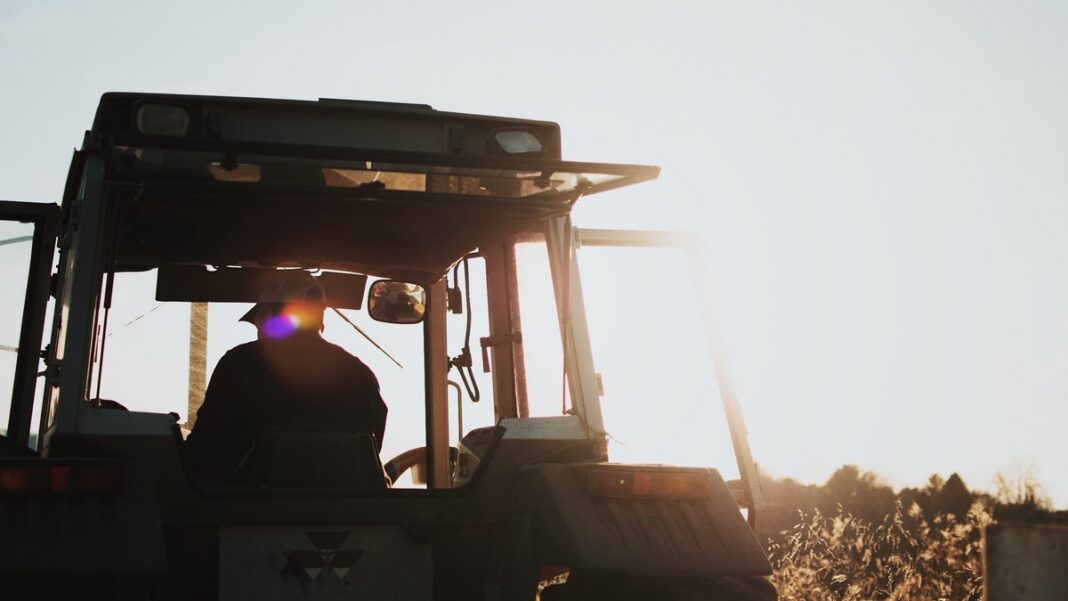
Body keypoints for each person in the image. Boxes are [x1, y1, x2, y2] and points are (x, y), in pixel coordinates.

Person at [184, 282, 387, 480]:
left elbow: (205, 452)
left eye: (258, 320)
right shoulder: (360, 374)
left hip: (249, 509)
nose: (258, 329)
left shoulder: (237, 365)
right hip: (351, 510)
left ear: (270, 315)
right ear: (320, 317)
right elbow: (370, 451)